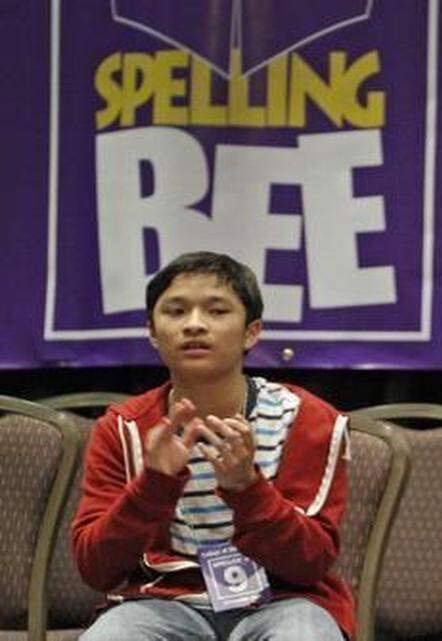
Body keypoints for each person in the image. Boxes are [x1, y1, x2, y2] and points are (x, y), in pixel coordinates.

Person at [72, 252, 352, 641]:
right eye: (176, 311)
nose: (195, 325)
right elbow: (95, 569)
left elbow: (310, 564)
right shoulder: (125, 428)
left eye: (217, 311)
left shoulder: (306, 420)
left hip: (284, 602)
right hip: (163, 604)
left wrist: (246, 488)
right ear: (152, 332)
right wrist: (153, 485)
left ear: (251, 332)